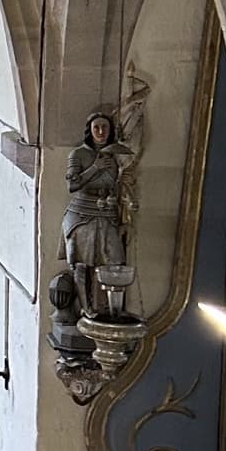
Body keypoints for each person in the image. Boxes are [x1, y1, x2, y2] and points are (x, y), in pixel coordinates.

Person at [63, 109, 129, 310]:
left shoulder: (115, 153)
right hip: (82, 213)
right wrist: (95, 167)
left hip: (107, 213)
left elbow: (116, 185)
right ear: (89, 130)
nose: (101, 131)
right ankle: (86, 308)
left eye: (105, 127)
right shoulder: (78, 154)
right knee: (82, 264)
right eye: (96, 127)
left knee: (114, 261)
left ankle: (110, 309)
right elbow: (72, 185)